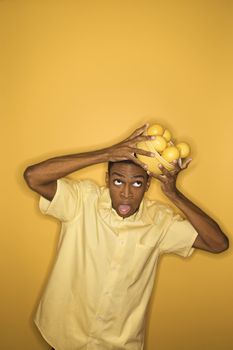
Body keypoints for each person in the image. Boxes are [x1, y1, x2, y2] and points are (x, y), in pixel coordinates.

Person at [24, 124, 229, 350]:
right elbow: (33, 177)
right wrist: (106, 153)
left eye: (137, 183)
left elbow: (218, 243)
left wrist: (173, 194)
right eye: (118, 181)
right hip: (63, 336)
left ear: (148, 184)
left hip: (118, 345)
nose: (126, 193)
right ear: (107, 179)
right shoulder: (82, 200)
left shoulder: (160, 222)